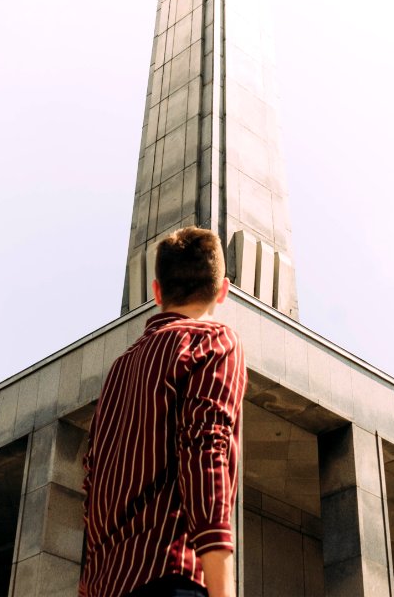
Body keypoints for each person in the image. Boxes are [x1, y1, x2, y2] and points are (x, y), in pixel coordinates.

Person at [79, 227, 247, 597]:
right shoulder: (214, 342)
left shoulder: (120, 369)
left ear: (156, 291)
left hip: (109, 585)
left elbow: (93, 480)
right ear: (223, 290)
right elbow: (206, 450)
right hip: (172, 574)